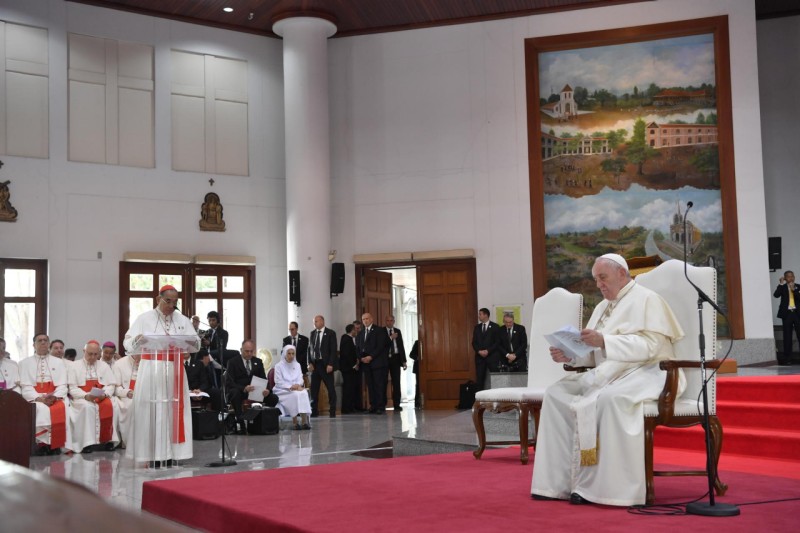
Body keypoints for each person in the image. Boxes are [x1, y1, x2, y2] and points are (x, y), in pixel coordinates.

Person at [531, 254, 684, 506]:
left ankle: (610, 490)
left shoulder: (647, 299)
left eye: (603, 278)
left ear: (622, 274)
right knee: (556, 394)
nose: (599, 284)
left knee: (610, 400)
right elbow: (593, 355)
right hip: (609, 372)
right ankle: (557, 484)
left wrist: (605, 341)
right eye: (595, 279)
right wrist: (569, 354)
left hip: (648, 371)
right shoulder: (603, 307)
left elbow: (652, 346)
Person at [123, 285, 199, 467]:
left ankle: (174, 453)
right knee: (153, 410)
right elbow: (127, 343)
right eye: (168, 301)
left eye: (175, 302)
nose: (171, 305)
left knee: (173, 410)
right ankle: (153, 454)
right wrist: (138, 340)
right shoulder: (144, 318)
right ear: (159, 299)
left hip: (175, 370)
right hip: (152, 370)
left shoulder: (182, 319)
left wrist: (188, 344)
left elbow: (195, 345)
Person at [19, 333, 71, 455]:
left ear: (48, 344)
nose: (43, 343)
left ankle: (56, 444)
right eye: (40, 340)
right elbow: (26, 386)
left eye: (45, 340)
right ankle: (42, 444)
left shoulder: (59, 362)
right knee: (40, 408)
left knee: (63, 408)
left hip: (55, 396)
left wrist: (55, 396)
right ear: (33, 345)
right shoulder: (24, 363)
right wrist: (39, 398)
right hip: (35, 396)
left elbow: (63, 384)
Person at [67, 340, 120, 453]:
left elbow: (111, 384)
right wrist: (86, 396)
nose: (93, 357)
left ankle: (108, 440)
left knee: (113, 405)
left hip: (101, 396)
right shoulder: (74, 366)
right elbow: (72, 388)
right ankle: (87, 443)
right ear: (84, 351)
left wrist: (104, 394)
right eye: (90, 354)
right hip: (83, 398)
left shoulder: (104, 365)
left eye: (96, 354)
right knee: (87, 407)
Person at [226, 339, 278, 434]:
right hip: (241, 392)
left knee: (273, 398)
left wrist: (267, 390)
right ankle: (241, 421)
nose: (249, 354)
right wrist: (244, 388)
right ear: (241, 350)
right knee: (235, 393)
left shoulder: (258, 362)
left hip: (256, 392)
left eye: (251, 351)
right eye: (247, 351)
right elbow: (229, 382)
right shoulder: (232, 362)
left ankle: (263, 421)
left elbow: (264, 379)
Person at [356, 313, 390, 414]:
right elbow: (357, 348)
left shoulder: (379, 331)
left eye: (367, 319)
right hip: (366, 364)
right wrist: (361, 358)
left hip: (377, 363)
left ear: (371, 319)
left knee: (379, 385)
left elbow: (380, 346)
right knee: (370, 385)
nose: (365, 321)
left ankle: (380, 406)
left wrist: (371, 356)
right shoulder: (361, 333)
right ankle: (373, 405)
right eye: (363, 319)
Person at [273, 345, 312, 430]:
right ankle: (295, 422)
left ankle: (304, 421)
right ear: (285, 354)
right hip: (282, 390)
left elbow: (300, 378)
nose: (291, 356)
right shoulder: (278, 366)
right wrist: (290, 387)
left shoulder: (297, 365)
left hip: (297, 388)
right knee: (295, 395)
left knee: (304, 393)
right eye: (289, 353)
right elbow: (278, 382)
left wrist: (297, 385)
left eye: (293, 354)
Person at [308, 315, 338, 417]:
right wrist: (309, 363)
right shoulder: (312, 333)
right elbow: (310, 349)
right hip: (315, 365)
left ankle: (332, 411)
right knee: (314, 389)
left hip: (326, 365)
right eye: (314, 322)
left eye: (316, 321)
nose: (314, 323)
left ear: (322, 321)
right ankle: (314, 411)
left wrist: (330, 364)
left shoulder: (330, 333)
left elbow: (333, 350)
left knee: (330, 388)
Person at [112, 350, 140, 449]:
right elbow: (116, 387)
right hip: (125, 397)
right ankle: (130, 442)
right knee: (132, 405)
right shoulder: (119, 364)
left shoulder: (149, 363)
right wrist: (127, 392)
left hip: (145, 396)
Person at [774, 270, 800, 365]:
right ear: (785, 278)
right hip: (787, 314)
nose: (791, 278)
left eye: (792, 276)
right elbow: (776, 295)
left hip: (797, 314)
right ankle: (788, 359)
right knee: (787, 336)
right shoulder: (782, 287)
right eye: (788, 276)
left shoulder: (798, 286)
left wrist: (794, 290)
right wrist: (780, 284)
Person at [472, 308, 499, 390]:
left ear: (486, 315)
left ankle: (497, 399)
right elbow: (474, 342)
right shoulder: (477, 327)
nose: (478, 316)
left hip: (492, 358)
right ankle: (480, 401)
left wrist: (488, 351)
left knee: (496, 379)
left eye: (480, 314)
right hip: (480, 358)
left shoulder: (495, 327)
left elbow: (497, 342)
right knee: (479, 380)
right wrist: (479, 351)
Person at [385, 315, 407, 411]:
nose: (389, 322)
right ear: (385, 321)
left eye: (391, 320)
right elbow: (381, 344)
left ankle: (397, 404)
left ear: (394, 321)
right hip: (385, 359)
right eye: (388, 320)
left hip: (396, 358)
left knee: (396, 382)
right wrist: (390, 337)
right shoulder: (381, 331)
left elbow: (401, 346)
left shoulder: (398, 331)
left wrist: (404, 361)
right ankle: (383, 404)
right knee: (383, 382)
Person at [339, 324, 359, 414]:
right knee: (348, 388)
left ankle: (350, 407)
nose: (356, 331)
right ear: (352, 330)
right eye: (355, 329)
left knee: (351, 388)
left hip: (349, 368)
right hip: (348, 368)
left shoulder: (349, 339)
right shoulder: (347, 339)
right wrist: (354, 365)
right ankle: (346, 408)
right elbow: (347, 354)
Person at [408, 340, 421, 408]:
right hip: (419, 367)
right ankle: (417, 403)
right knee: (418, 385)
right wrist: (418, 357)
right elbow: (411, 354)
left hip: (429, 366)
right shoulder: (417, 342)